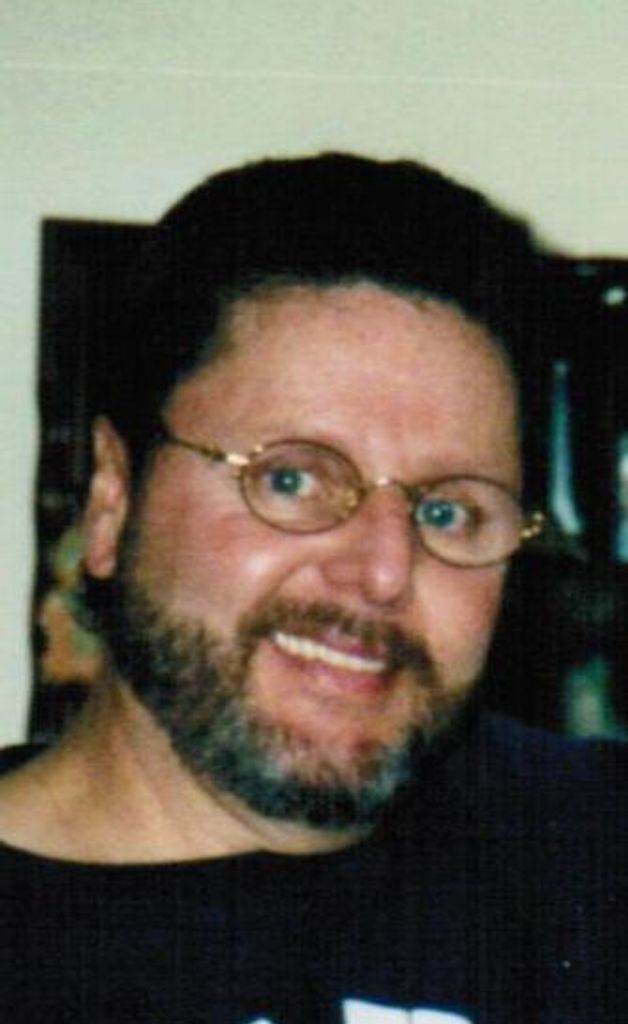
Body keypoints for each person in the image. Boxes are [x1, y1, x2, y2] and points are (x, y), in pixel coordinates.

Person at [0, 153, 625, 1023]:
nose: (384, 572)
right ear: (112, 501)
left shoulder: (587, 860)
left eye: (448, 513)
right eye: (292, 479)